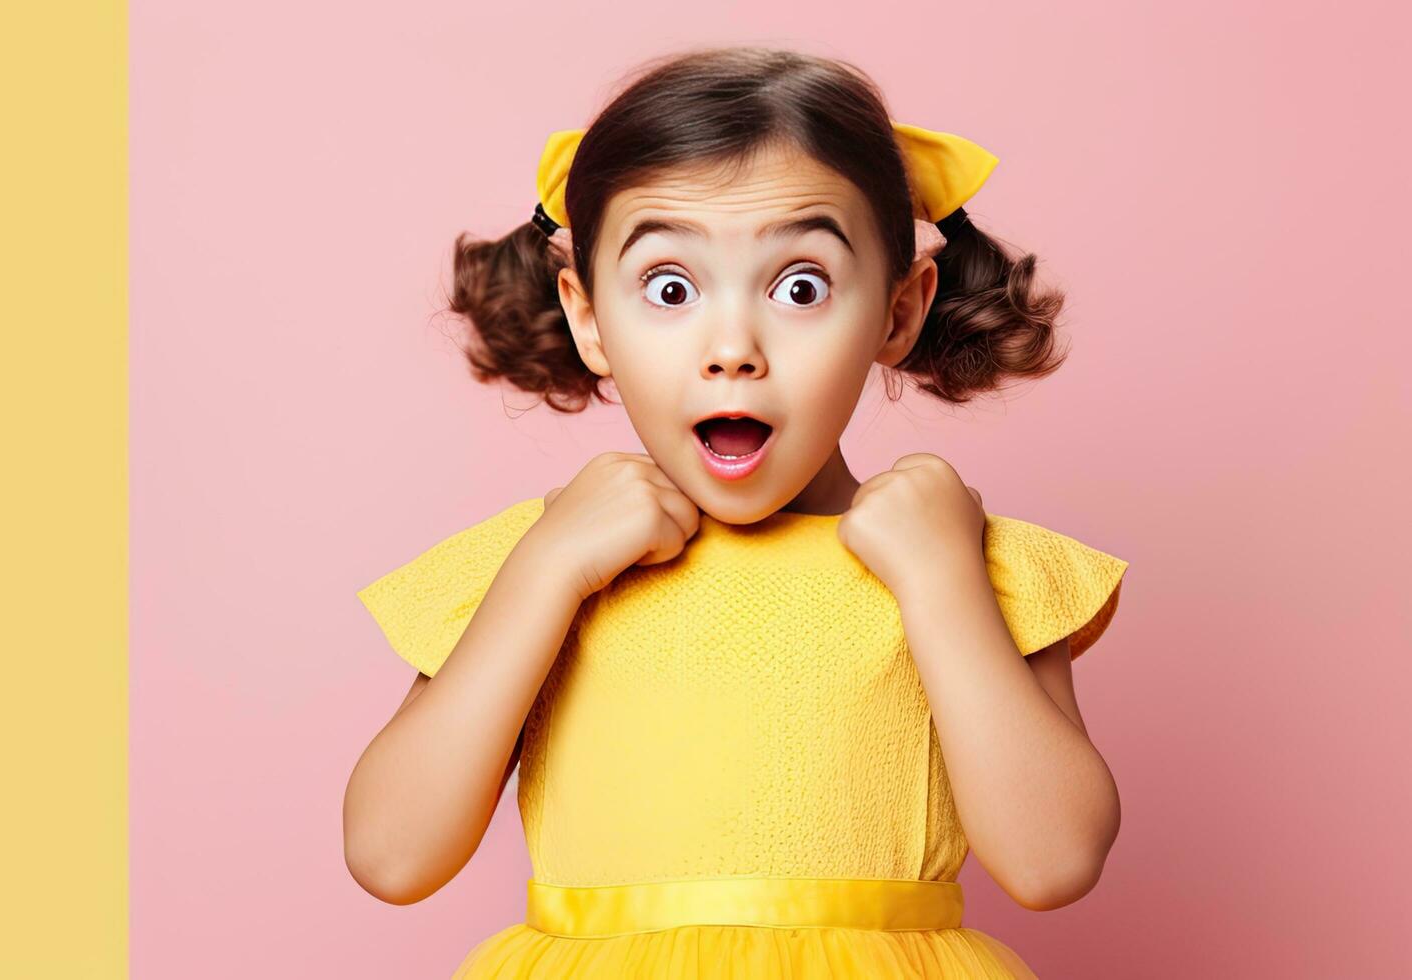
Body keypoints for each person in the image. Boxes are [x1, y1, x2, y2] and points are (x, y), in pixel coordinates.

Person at [342, 45, 1129, 979]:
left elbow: (1053, 863)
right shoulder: (538, 563)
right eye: (669, 289)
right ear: (587, 315)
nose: (730, 349)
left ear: (897, 310)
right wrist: (543, 573)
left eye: (800, 287)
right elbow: (391, 857)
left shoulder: (968, 563)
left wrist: (940, 582)